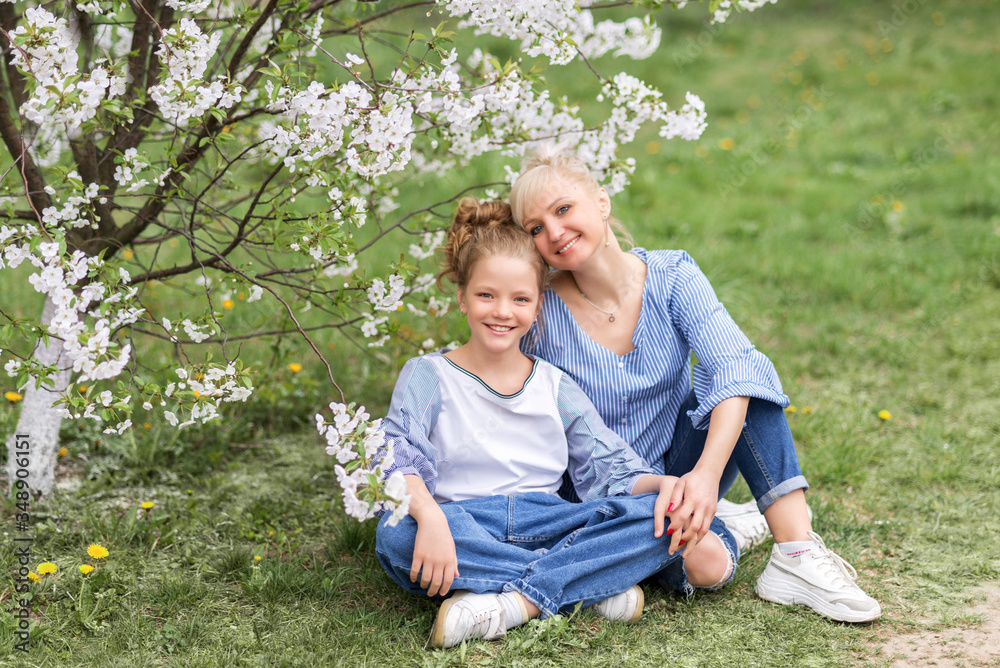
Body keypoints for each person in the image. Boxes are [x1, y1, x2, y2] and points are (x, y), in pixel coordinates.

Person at [508, 147, 881, 624]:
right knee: (709, 568)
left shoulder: (673, 274)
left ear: (600, 202)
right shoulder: (536, 311)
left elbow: (734, 366)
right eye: (536, 228)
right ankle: (708, 523)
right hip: (599, 491)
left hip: (682, 460)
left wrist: (704, 477)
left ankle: (796, 556)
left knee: (745, 379)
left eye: (563, 209)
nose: (554, 233)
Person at [374, 199, 739, 649]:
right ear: (462, 298)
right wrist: (429, 517)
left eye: (520, 299)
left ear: (537, 304)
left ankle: (511, 600)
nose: (502, 312)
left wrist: (659, 485)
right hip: (462, 524)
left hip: (553, 521)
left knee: (653, 513)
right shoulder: (429, 375)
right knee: (396, 534)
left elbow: (606, 465)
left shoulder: (553, 384)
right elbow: (396, 454)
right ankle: (585, 582)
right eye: (486, 295)